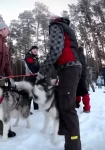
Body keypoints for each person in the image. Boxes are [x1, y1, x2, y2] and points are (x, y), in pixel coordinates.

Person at [35, 15, 82, 150]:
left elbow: (56, 49)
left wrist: (42, 70)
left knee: (67, 108)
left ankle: (73, 146)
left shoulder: (56, 26)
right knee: (62, 103)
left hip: (69, 68)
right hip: (68, 69)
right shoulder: (66, 28)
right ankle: (63, 132)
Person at [24, 46, 40, 113]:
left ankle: (36, 109)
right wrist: (37, 73)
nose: (35, 50)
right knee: (29, 94)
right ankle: (27, 110)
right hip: (30, 78)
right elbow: (31, 68)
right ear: (31, 50)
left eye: (36, 49)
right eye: (34, 49)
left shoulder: (35, 58)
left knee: (36, 93)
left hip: (35, 77)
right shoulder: (29, 57)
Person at [76, 47, 91, 113]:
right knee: (81, 90)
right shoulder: (83, 56)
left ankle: (79, 104)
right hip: (82, 75)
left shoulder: (78, 55)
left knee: (79, 90)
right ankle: (85, 107)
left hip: (78, 74)